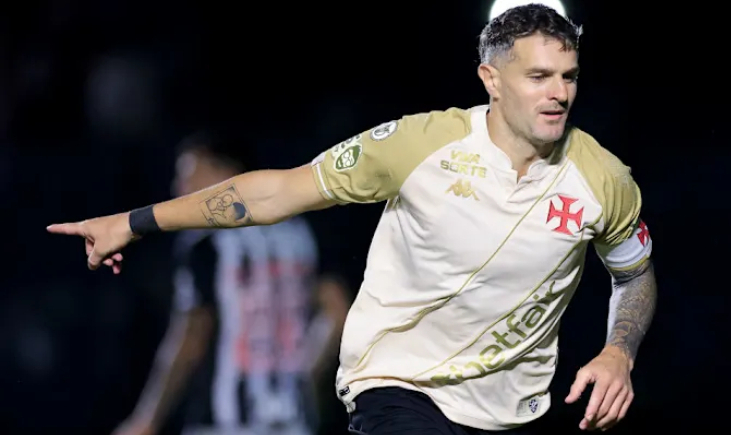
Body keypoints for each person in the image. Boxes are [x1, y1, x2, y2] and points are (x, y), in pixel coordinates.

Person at [49, 4, 658, 434]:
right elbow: (278, 191)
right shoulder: (418, 145)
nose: (559, 93)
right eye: (539, 77)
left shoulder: (604, 178)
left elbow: (634, 276)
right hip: (397, 388)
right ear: (491, 80)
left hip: (511, 409)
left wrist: (619, 352)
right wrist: (134, 221)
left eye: (569, 77)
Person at [109, 132, 329, 435]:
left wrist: (148, 418)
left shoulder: (208, 243)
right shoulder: (299, 233)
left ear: (226, 174)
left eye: (190, 175)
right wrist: (305, 377)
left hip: (223, 421)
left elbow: (192, 335)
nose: (179, 189)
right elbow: (336, 310)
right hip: (294, 418)